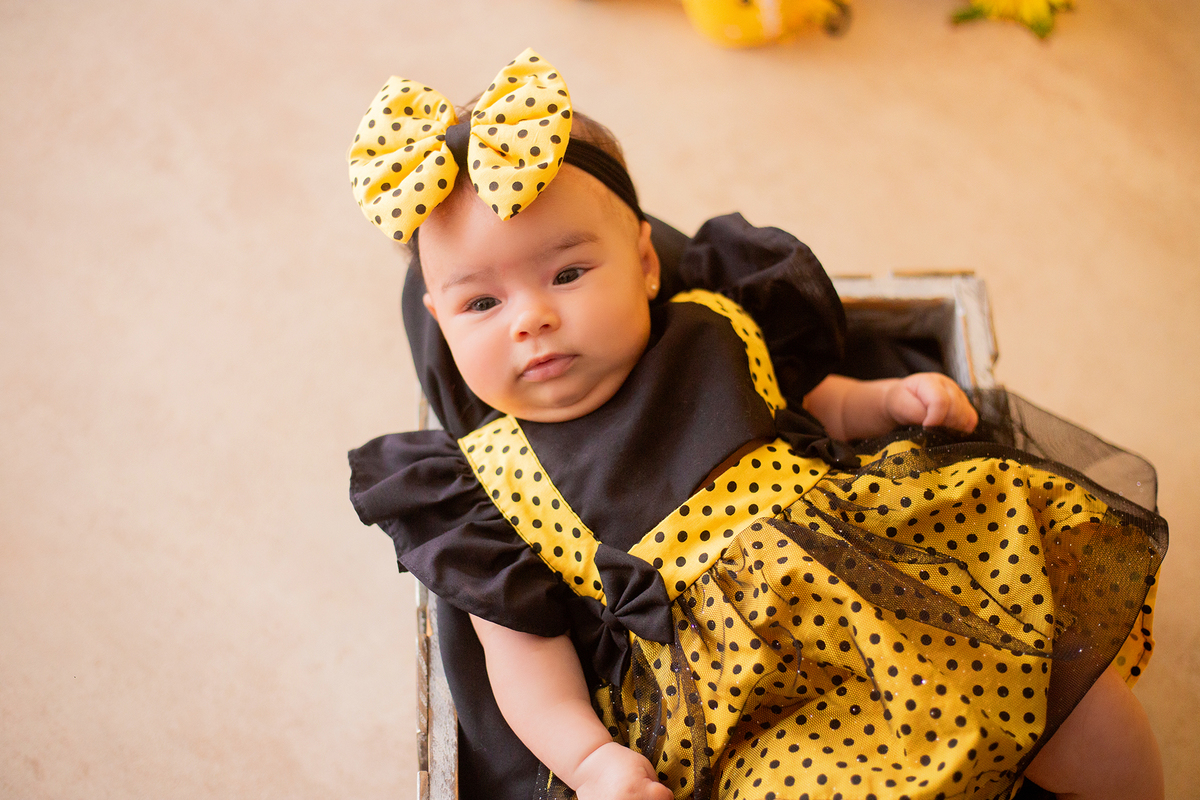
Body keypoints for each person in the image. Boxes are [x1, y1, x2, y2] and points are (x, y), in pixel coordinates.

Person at [347, 49, 1167, 800]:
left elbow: (808, 404)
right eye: (481, 303)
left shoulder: (714, 318)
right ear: (438, 320)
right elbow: (523, 657)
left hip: (882, 573)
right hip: (732, 698)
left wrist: (888, 403)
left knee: (1053, 679)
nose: (532, 319)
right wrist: (591, 760)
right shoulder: (479, 483)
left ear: (644, 260)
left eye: (567, 272)